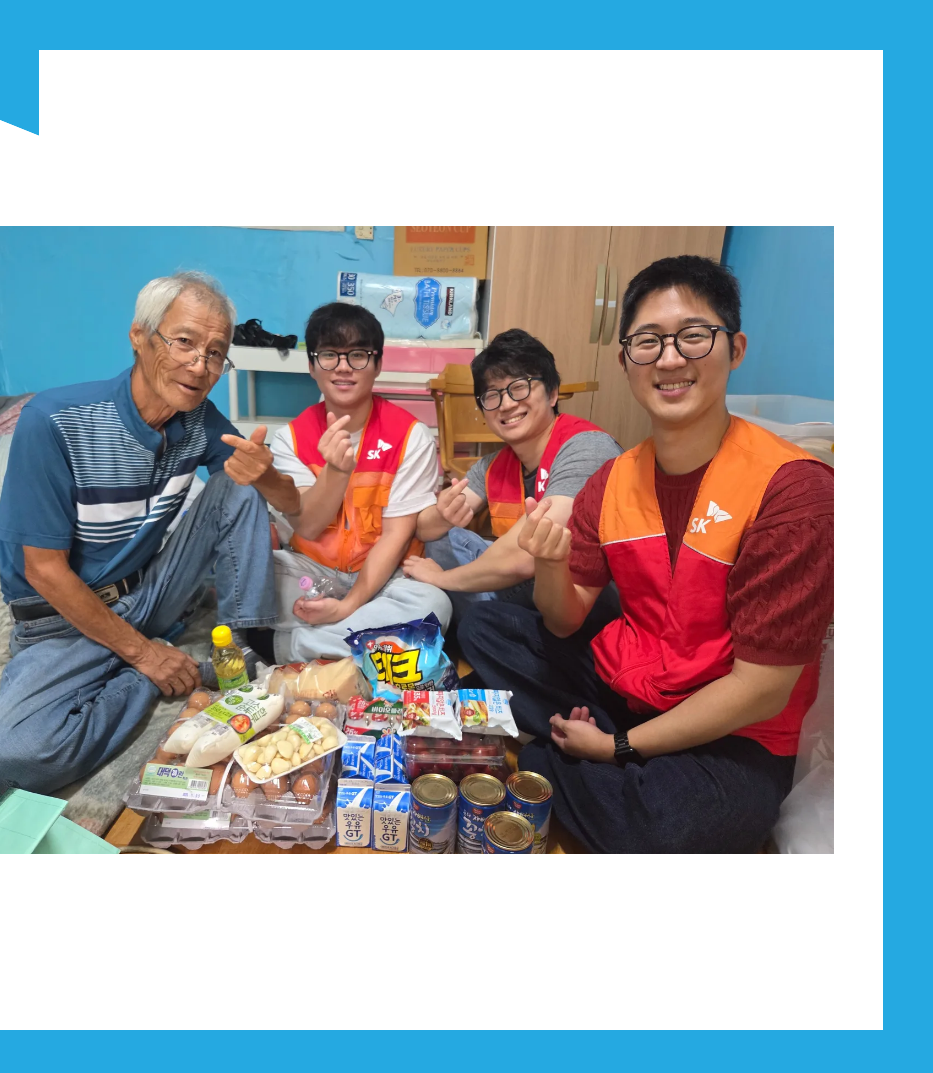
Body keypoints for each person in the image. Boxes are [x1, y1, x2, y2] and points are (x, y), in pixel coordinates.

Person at [457, 255, 834, 853]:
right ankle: (593, 760)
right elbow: (564, 620)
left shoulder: (794, 490)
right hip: (632, 684)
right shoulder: (610, 481)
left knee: (677, 829)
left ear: (735, 349)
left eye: (693, 336)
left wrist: (618, 747)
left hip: (734, 728)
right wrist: (551, 563)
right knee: (485, 627)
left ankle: (556, 757)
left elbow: (762, 690)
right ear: (626, 361)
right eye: (649, 341)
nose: (670, 359)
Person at [0, 271, 277, 794]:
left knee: (239, 482)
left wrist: (269, 473)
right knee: (20, 760)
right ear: (139, 336)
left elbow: (260, 494)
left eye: (215, 353)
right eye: (183, 341)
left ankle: (242, 649)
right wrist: (145, 657)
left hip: (146, 592)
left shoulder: (199, 419)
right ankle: (145, 673)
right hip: (61, 620)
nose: (199, 364)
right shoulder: (53, 421)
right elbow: (42, 570)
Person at [219, 302, 451, 662]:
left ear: (377, 364)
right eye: (329, 355)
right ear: (312, 366)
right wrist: (335, 471)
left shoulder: (410, 436)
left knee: (433, 604)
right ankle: (366, 643)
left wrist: (348, 606)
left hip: (386, 580)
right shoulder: (291, 438)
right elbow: (309, 526)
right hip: (310, 575)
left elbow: (395, 537)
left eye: (357, 355)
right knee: (250, 578)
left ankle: (285, 647)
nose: (343, 367)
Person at [400, 329, 622, 623]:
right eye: (492, 395)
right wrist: (442, 514)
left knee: (489, 592)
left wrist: (442, 579)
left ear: (552, 393)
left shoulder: (586, 447)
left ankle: (477, 620)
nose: (506, 404)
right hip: (521, 586)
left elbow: (525, 558)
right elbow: (424, 529)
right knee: (441, 538)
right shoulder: (493, 465)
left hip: (579, 598)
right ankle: (481, 619)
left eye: (519, 387)